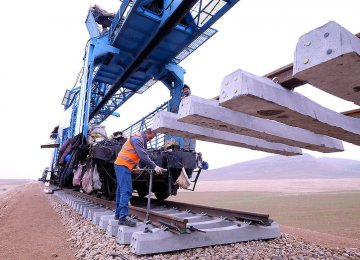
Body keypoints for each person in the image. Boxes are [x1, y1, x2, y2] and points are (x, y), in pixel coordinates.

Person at [113, 128, 164, 227]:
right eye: (150, 137)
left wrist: (135, 166)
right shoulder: (137, 139)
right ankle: (123, 218)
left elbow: (134, 154)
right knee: (126, 191)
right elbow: (143, 155)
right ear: (147, 133)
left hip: (122, 165)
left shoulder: (138, 139)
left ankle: (118, 215)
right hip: (123, 166)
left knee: (121, 191)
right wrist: (154, 166)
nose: (150, 140)